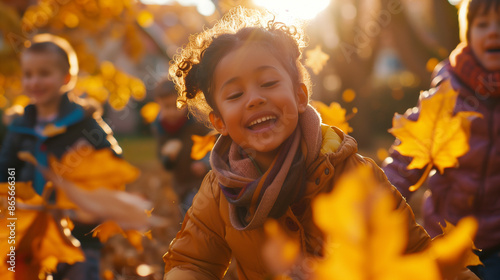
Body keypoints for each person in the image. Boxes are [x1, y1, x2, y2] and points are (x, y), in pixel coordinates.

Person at [160, 7, 450, 280]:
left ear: (300, 96)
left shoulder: (352, 173)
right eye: (235, 95)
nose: (255, 99)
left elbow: (415, 253)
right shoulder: (220, 190)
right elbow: (191, 263)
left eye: (269, 83)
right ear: (219, 121)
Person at [382, 0, 500, 279]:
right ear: (468, 36)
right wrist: (381, 203)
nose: (494, 32)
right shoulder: (450, 94)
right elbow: (405, 161)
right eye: (483, 25)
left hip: (496, 245)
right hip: (446, 238)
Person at [0, 40, 121, 280]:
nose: (34, 82)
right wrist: (12, 207)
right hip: (28, 230)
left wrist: (88, 155)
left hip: (80, 231)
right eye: (28, 75)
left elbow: (115, 164)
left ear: (66, 78)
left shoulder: (85, 123)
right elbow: (6, 172)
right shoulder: (20, 127)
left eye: (44, 74)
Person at [151, 79, 211, 216]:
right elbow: (164, 162)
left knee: (200, 211)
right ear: (158, 104)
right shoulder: (161, 128)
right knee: (187, 215)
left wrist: (204, 163)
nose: (172, 112)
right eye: (167, 107)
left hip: (203, 180)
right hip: (181, 183)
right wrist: (168, 159)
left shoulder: (198, 124)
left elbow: (215, 145)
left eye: (177, 106)